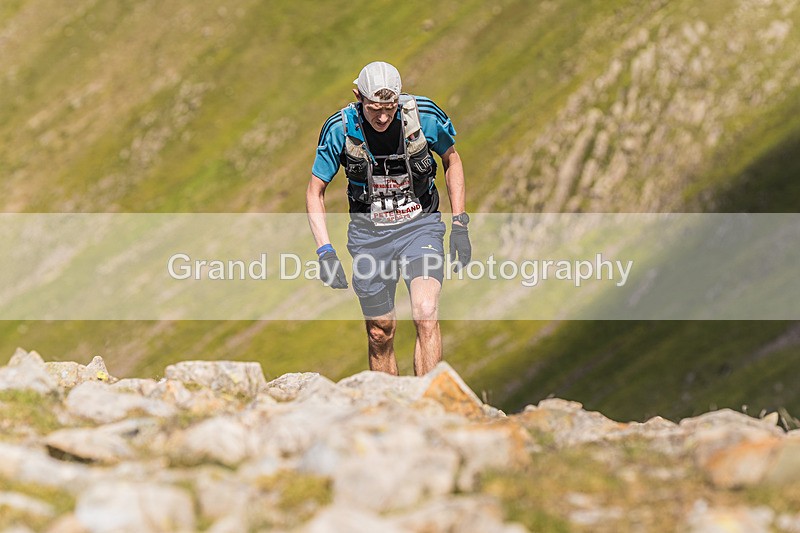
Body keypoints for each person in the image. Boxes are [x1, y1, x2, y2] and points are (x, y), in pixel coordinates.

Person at [305, 61, 471, 376]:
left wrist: (460, 224)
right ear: (358, 97)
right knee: (381, 332)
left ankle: (428, 409)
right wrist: (325, 251)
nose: (382, 117)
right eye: (374, 109)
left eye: (390, 108)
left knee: (425, 312)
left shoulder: (424, 116)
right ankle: (388, 411)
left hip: (419, 227)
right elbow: (315, 191)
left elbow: (452, 160)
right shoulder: (339, 129)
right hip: (369, 236)